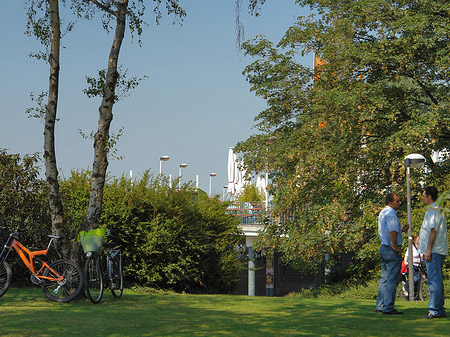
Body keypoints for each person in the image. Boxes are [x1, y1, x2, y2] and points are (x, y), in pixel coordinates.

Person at [376, 192, 409, 315]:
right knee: (392, 279)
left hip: (384, 247)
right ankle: (388, 307)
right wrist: (396, 247)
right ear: (390, 202)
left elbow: (390, 232)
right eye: (397, 201)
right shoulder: (391, 214)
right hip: (391, 250)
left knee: (384, 278)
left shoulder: (383, 213)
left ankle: (380, 305)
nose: (400, 203)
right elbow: (392, 232)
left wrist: (402, 231)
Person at [418, 186, 448, 319]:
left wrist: (428, 249)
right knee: (436, 280)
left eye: (423, 195)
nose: (422, 198)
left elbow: (433, 230)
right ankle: (439, 309)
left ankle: (435, 310)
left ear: (430, 197)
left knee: (434, 281)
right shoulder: (433, 210)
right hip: (435, 251)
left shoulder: (434, 211)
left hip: (434, 251)